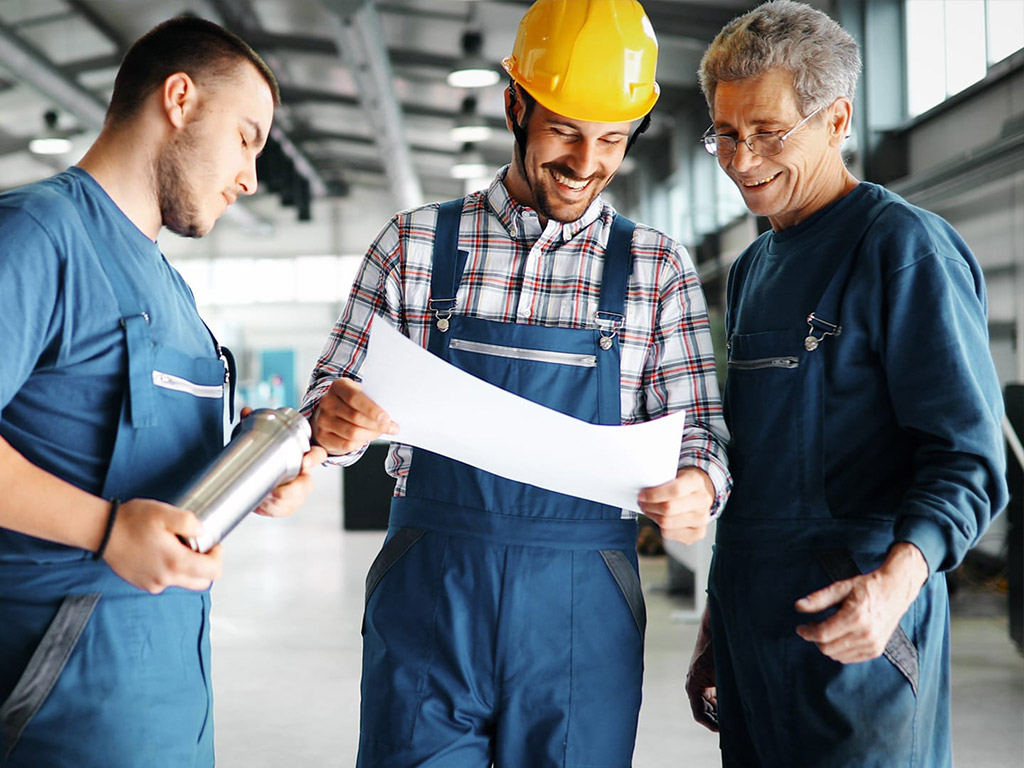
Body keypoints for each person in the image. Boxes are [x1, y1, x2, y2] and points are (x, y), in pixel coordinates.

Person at [301, 1, 730, 764]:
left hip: (581, 609)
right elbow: (326, 400)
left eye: (611, 140)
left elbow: (697, 427)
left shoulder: (656, 270)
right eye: (564, 130)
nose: (585, 161)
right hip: (432, 594)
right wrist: (331, 424)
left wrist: (698, 483)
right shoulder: (412, 246)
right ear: (514, 105)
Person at [683, 2, 1008, 765]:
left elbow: (969, 456)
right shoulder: (753, 269)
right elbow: (751, 467)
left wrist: (898, 581)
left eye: (767, 132)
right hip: (752, 629)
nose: (740, 158)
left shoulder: (901, 249)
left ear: (836, 121)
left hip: (861, 631)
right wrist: (716, 618)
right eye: (725, 134)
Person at [0, 16, 325, 768]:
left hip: (169, 701)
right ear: (179, 99)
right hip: (60, 707)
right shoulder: (37, 237)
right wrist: (106, 530)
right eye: (246, 137)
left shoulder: (170, 287)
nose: (250, 175)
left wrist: (258, 467)